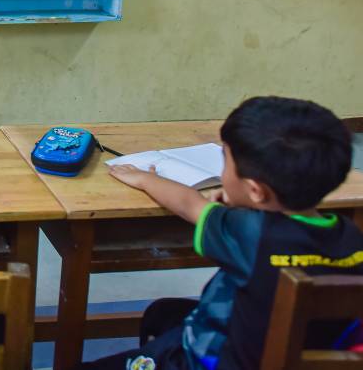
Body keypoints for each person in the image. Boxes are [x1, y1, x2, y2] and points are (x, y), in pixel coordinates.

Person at [80, 96, 363, 369]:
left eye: (225, 160)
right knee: (162, 313)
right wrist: (248, 203)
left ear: (256, 190)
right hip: (289, 351)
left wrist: (145, 178)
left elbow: (190, 204)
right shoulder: (351, 237)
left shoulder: (247, 232)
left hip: (211, 361)